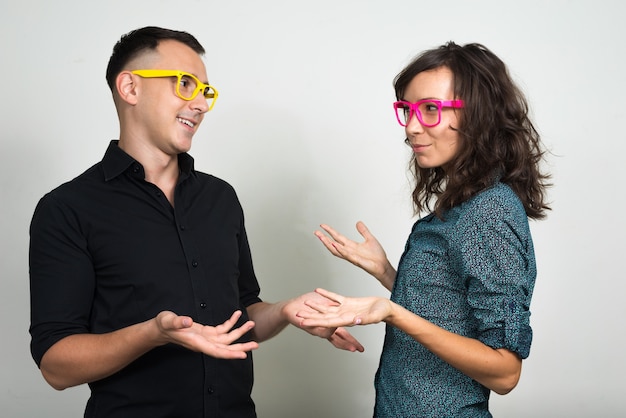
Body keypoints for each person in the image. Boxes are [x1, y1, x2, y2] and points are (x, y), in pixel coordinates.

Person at [28, 26, 363, 418]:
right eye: (185, 84)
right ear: (130, 88)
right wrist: (153, 333)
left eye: (205, 91)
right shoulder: (67, 208)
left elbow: (243, 315)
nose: (201, 104)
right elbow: (56, 365)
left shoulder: (220, 198)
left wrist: (286, 310)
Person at [297, 42, 550, 417]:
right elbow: (449, 312)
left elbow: (505, 371)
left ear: (478, 115)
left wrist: (390, 311)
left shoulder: (490, 210)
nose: (413, 127)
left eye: (430, 109)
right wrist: (385, 271)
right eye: (407, 110)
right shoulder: (462, 205)